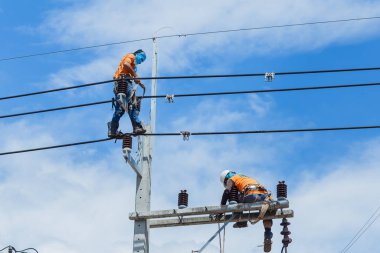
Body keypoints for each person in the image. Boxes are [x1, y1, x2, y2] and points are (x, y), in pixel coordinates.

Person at [220, 170, 273, 252]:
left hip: (251, 195)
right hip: (265, 196)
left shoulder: (232, 179)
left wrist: (221, 209)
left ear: (226, 179)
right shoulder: (245, 177)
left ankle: (241, 221)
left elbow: (227, 191)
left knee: (233, 197)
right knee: (266, 212)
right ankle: (267, 233)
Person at [108, 49, 147, 137]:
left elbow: (130, 72)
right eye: (141, 59)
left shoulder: (132, 66)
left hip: (121, 82)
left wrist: (139, 83)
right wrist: (136, 75)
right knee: (132, 105)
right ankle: (137, 126)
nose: (140, 62)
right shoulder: (131, 56)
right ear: (137, 54)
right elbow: (126, 64)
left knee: (120, 110)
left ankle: (113, 130)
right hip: (124, 82)